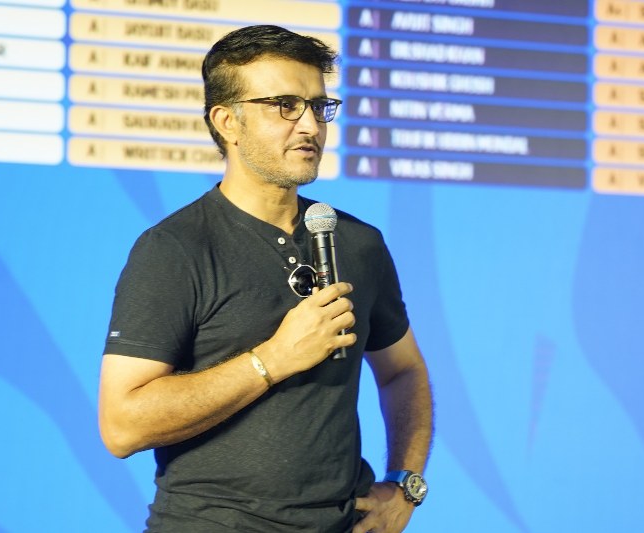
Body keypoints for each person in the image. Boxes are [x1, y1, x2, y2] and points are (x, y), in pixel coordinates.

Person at [98, 25, 433, 533]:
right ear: (227, 121)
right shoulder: (174, 249)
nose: (310, 125)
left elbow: (403, 371)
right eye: (284, 106)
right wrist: (271, 360)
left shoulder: (358, 243)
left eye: (318, 106)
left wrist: (405, 484)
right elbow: (121, 426)